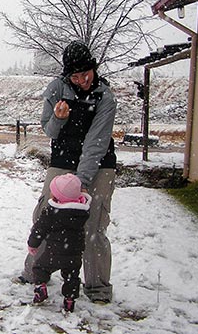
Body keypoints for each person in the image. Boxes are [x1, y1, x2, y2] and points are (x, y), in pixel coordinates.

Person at [20, 41, 117, 304]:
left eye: (86, 74)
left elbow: (96, 142)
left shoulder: (105, 97)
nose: (82, 80)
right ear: (67, 76)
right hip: (62, 160)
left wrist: (82, 181)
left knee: (94, 224)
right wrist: (59, 117)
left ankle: (97, 287)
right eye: (75, 76)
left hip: (99, 164)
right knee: (45, 214)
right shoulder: (57, 88)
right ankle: (35, 271)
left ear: (94, 68)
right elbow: (49, 131)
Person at [27, 173, 91, 312]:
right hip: (74, 253)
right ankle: (70, 300)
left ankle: (40, 288)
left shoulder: (51, 212)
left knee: (40, 268)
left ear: (56, 196)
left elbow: (39, 229)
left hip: (54, 251)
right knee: (72, 277)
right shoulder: (82, 212)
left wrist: (33, 244)